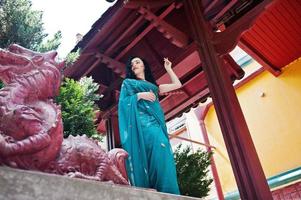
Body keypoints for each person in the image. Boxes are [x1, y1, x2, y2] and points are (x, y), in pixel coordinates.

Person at [118, 56, 182, 194]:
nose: (134, 64)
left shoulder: (155, 87)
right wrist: (139, 95)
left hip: (157, 123)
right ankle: (156, 190)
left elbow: (178, 85)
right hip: (143, 124)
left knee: (163, 152)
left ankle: (167, 192)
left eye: (137, 62)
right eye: (132, 63)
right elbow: (123, 103)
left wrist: (169, 69)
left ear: (144, 66)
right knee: (156, 149)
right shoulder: (129, 83)